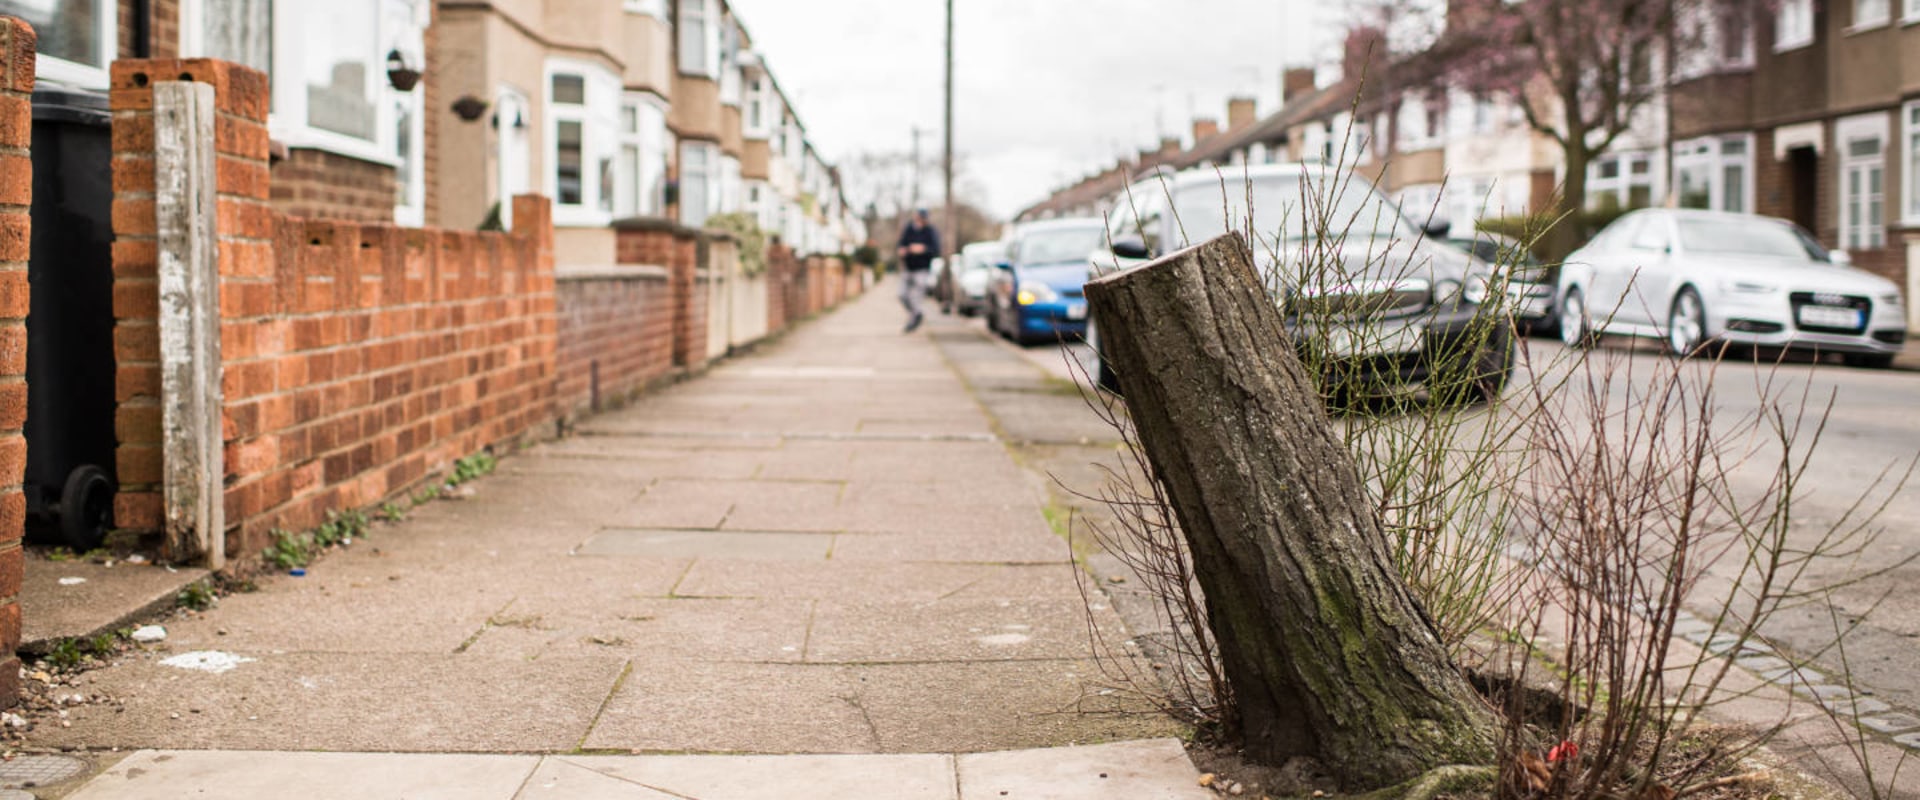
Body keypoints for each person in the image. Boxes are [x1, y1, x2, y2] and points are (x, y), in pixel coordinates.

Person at [895, 209, 940, 333]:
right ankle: (916, 314)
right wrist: (902, 250)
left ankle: (914, 318)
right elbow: (901, 244)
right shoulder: (909, 229)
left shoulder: (930, 231)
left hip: (922, 270)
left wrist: (923, 249)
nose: (920, 220)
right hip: (908, 268)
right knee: (902, 295)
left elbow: (936, 250)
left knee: (915, 297)